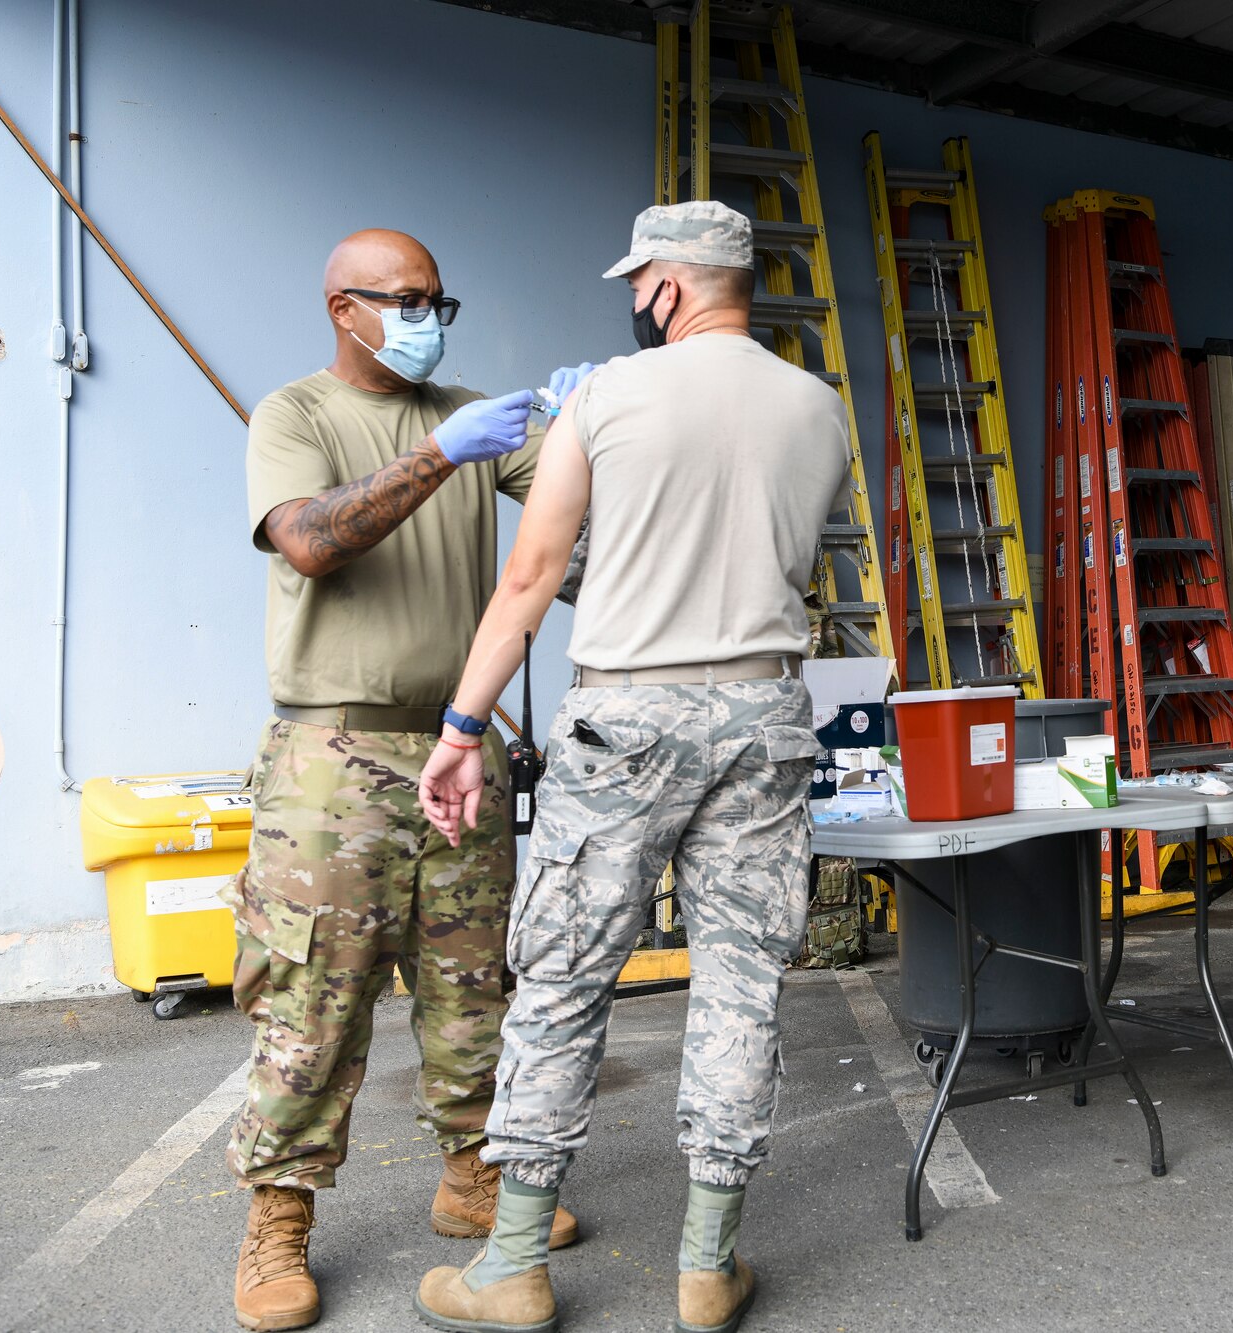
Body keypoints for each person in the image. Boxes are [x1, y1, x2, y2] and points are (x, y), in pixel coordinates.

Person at [411, 200, 846, 1333]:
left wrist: (462, 731)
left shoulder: (605, 394)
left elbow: (531, 581)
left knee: (560, 981)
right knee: (742, 984)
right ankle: (707, 1266)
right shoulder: (820, 409)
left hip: (627, 717)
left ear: (668, 287)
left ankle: (511, 1266)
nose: (631, 306)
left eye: (636, 286)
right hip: (762, 713)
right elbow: (770, 556)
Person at [229, 229, 589, 1330]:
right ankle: (277, 1217)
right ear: (345, 307)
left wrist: (597, 426)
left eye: (441, 300)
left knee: (473, 980)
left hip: (455, 744)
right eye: (408, 299)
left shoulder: (479, 412)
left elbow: (578, 514)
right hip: (328, 757)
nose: (430, 316)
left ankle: (471, 1173)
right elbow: (309, 540)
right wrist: (443, 453)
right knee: (313, 994)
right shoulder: (294, 415)